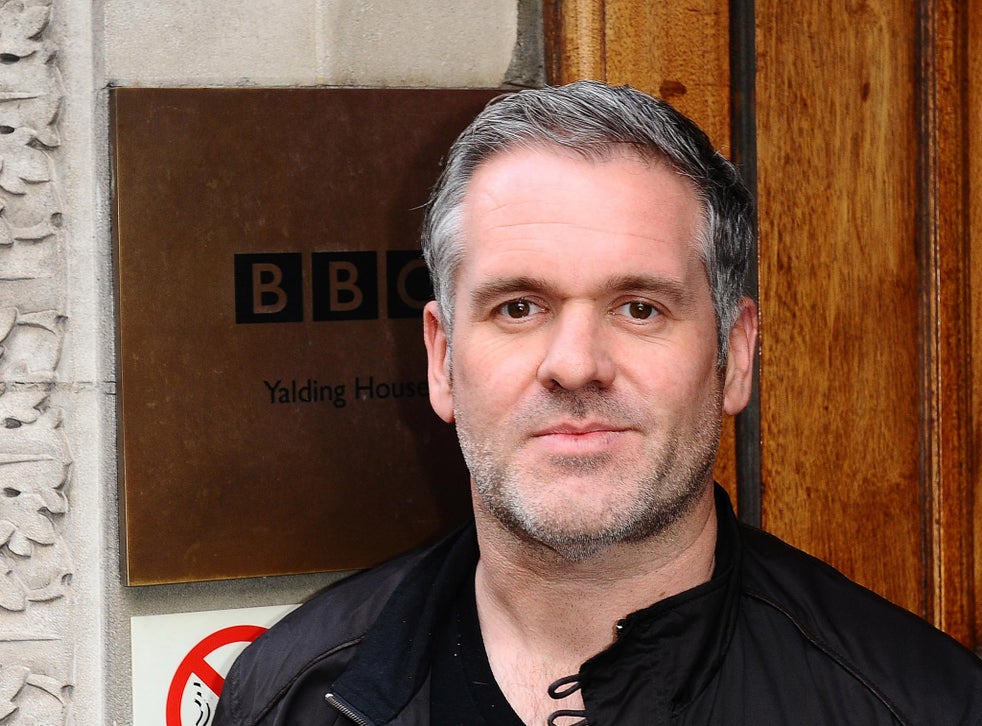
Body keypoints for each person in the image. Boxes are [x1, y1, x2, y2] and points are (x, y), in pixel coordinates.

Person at [214, 81, 982, 725]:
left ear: (735, 355)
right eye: (519, 307)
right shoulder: (288, 697)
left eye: (640, 308)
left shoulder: (924, 706)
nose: (576, 365)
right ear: (442, 359)